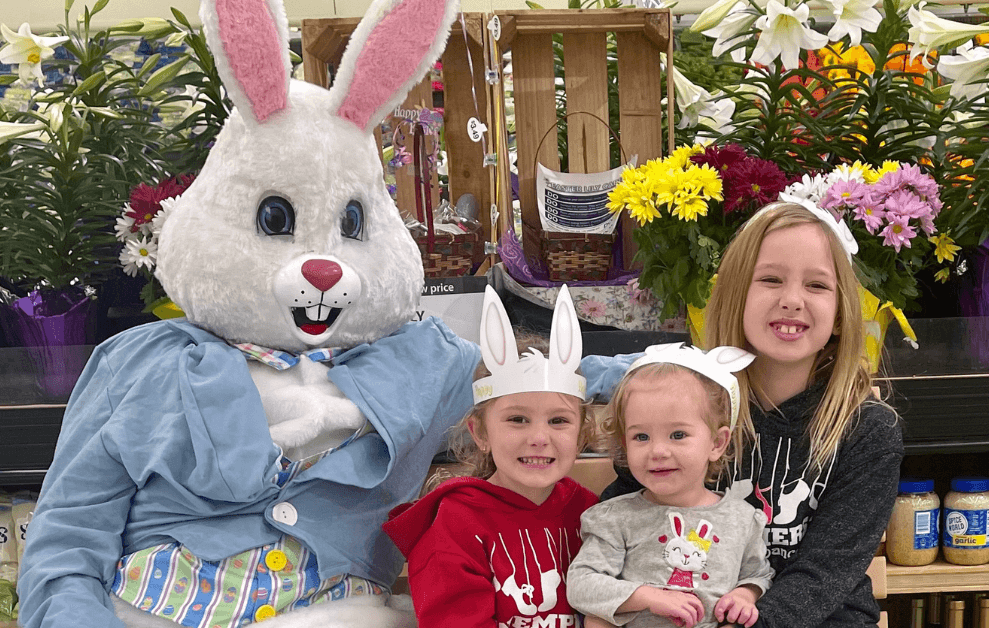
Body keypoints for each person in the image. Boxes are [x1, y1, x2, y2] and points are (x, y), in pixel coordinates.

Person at [598, 201, 904, 628]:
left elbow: (824, 575)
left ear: (840, 314)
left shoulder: (868, 430)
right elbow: (621, 514)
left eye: (817, 285)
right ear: (736, 295)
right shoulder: (681, 405)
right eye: (771, 279)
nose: (792, 300)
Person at [383, 285, 598, 628]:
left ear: (582, 435)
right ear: (480, 433)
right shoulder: (455, 526)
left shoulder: (591, 512)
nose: (539, 438)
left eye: (558, 421)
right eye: (517, 420)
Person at [567, 344, 774, 628]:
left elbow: (759, 574)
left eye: (677, 434)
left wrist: (745, 595)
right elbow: (581, 585)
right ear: (625, 444)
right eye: (641, 437)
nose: (658, 451)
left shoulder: (744, 519)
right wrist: (648, 597)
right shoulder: (613, 517)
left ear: (717, 443)